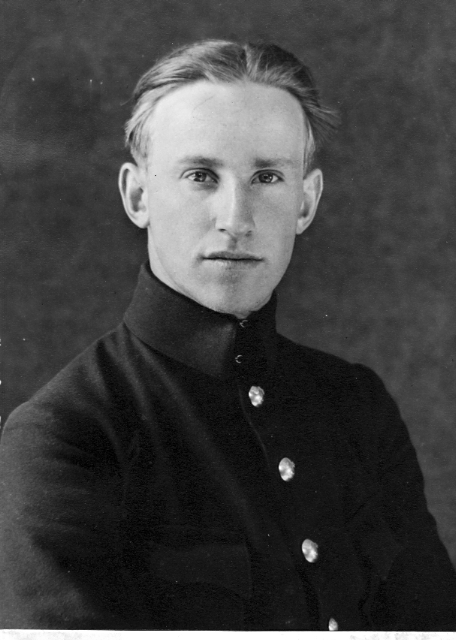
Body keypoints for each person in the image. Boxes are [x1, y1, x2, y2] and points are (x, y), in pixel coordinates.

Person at [1, 39, 455, 631]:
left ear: (306, 203)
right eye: (200, 175)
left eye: (267, 176)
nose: (236, 218)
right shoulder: (68, 434)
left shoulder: (355, 405)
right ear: (138, 196)